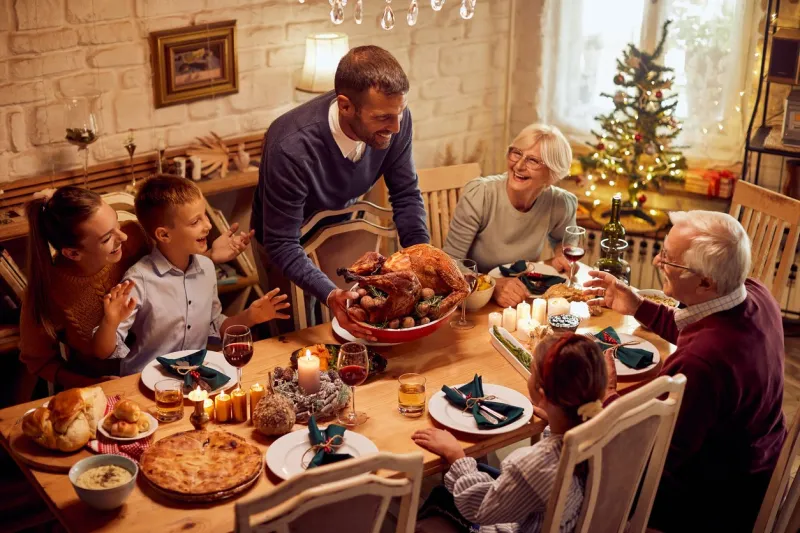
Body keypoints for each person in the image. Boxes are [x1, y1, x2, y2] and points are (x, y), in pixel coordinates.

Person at [585, 210, 786, 533]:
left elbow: (649, 454)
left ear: (706, 281)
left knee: (578, 460)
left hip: (715, 502)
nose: (656, 263)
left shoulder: (700, 364)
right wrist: (639, 306)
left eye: (669, 259)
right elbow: (706, 328)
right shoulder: (754, 293)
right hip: (759, 460)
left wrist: (607, 397)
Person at [251, 45, 429, 340]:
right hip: (285, 243)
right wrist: (329, 293)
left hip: (342, 227)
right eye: (384, 117)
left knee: (358, 329)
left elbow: (406, 194)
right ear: (346, 106)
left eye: (400, 112)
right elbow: (281, 242)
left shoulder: (395, 118)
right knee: (306, 337)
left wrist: (422, 258)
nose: (397, 127)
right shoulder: (290, 147)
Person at [20, 185, 253, 388]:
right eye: (106, 238)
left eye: (117, 224)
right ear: (72, 253)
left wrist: (209, 255)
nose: (122, 237)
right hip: (98, 385)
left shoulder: (133, 237)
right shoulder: (46, 290)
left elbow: (168, 271)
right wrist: (91, 385)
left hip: (158, 371)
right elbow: (40, 363)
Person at [89, 176, 290, 375]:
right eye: (195, 221)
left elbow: (215, 326)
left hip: (195, 378)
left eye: (204, 215)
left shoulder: (206, 268)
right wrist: (110, 322)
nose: (208, 226)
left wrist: (251, 316)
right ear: (164, 235)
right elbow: (103, 352)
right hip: (148, 381)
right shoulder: (139, 280)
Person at [412, 334, 607, 533]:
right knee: (464, 479)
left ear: (542, 395)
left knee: (439, 498)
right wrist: (554, 418)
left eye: (532, 371)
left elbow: (481, 510)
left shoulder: (533, 465)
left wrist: (456, 456)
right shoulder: (599, 431)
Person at [442, 124, 577, 308]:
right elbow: (450, 263)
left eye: (533, 161)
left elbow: (566, 244)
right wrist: (492, 285)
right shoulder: (480, 195)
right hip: (475, 302)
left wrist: (562, 257)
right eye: (516, 153)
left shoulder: (561, 203)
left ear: (552, 172)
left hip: (524, 300)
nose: (519, 165)